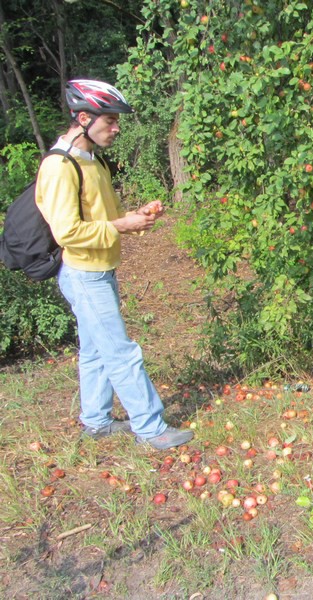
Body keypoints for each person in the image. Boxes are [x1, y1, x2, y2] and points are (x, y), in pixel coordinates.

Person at [35, 79, 194, 450]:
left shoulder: (92, 161)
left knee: (95, 350)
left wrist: (132, 217)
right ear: (85, 117)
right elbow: (67, 232)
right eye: (110, 121)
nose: (116, 128)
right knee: (121, 352)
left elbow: (104, 215)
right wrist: (121, 225)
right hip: (83, 273)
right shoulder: (61, 166)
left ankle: (96, 421)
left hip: (100, 270)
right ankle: (151, 429)